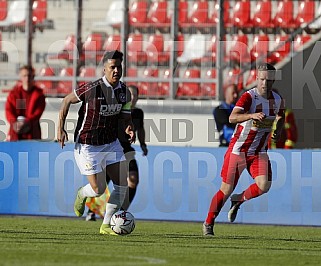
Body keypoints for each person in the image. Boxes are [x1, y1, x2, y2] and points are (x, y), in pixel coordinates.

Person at [57, 50, 136, 235]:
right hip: (88, 145)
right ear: (105, 69)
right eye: (112, 67)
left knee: (122, 185)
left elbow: (126, 118)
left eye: (119, 67)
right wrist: (60, 128)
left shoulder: (124, 92)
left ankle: (106, 225)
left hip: (110, 143)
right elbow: (67, 100)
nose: (116, 70)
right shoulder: (92, 88)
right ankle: (82, 194)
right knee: (99, 189)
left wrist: (129, 127)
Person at [203, 63, 285, 236]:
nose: (265, 83)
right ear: (256, 79)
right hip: (239, 150)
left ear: (273, 80)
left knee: (264, 185)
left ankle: (238, 200)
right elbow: (232, 118)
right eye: (262, 79)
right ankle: (209, 223)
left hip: (259, 151)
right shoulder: (249, 97)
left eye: (269, 80)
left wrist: (277, 131)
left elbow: (281, 116)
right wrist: (251, 115)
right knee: (226, 189)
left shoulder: (277, 100)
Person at [85, 84, 148, 221]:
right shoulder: (116, 111)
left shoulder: (138, 113)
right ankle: (91, 211)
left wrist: (143, 144)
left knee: (133, 180)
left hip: (126, 151)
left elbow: (141, 129)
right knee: (102, 184)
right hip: (111, 150)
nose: (132, 98)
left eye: (134, 95)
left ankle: (121, 212)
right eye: (129, 95)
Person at [5, 65, 46, 141]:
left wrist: (27, 122)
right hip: (15, 132)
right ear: (21, 77)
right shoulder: (15, 94)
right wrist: (14, 123)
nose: (27, 78)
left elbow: (37, 113)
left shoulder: (39, 95)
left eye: (29, 76)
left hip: (32, 133)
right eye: (24, 76)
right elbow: (9, 110)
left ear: (33, 77)